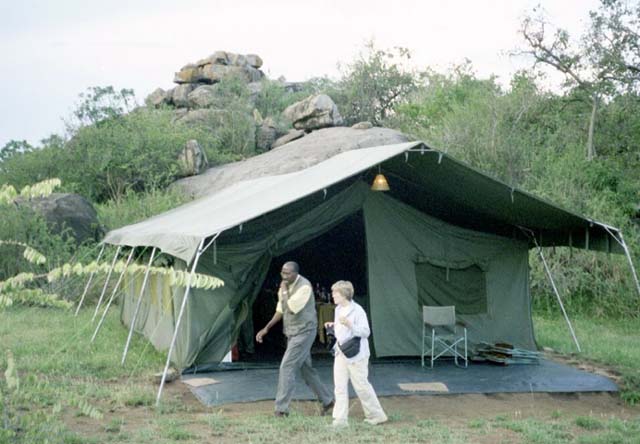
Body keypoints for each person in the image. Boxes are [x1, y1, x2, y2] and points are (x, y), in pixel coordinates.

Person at [256, 261, 334, 417]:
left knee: (287, 366)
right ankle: (328, 401)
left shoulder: (304, 287)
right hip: (292, 332)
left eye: (287, 273)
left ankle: (281, 409)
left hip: (305, 332)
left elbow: (291, 308)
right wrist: (267, 328)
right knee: (307, 371)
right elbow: (281, 309)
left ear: (296, 274)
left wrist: (284, 291)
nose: (284, 276)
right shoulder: (285, 285)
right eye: (282, 273)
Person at [324, 280, 387, 427]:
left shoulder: (358, 311)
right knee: (339, 386)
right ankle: (339, 420)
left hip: (357, 355)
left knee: (361, 385)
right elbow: (341, 332)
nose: (332, 295)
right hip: (341, 352)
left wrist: (350, 325)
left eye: (335, 293)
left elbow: (365, 332)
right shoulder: (338, 309)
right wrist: (333, 326)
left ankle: (376, 415)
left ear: (344, 294)